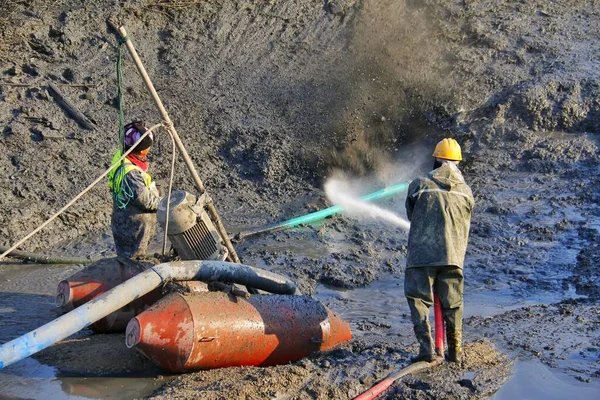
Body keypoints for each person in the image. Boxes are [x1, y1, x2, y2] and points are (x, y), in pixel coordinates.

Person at [404, 138, 474, 363]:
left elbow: (411, 215)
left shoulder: (419, 185)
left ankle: (426, 351)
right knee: (453, 303)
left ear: (436, 159)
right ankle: (455, 352)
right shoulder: (466, 192)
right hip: (453, 255)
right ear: (458, 163)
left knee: (418, 298)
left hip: (422, 255)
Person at [108, 121, 161, 258]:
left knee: (129, 257)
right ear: (143, 150)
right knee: (134, 258)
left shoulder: (123, 154)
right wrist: (165, 204)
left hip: (123, 216)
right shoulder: (130, 173)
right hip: (132, 224)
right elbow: (145, 200)